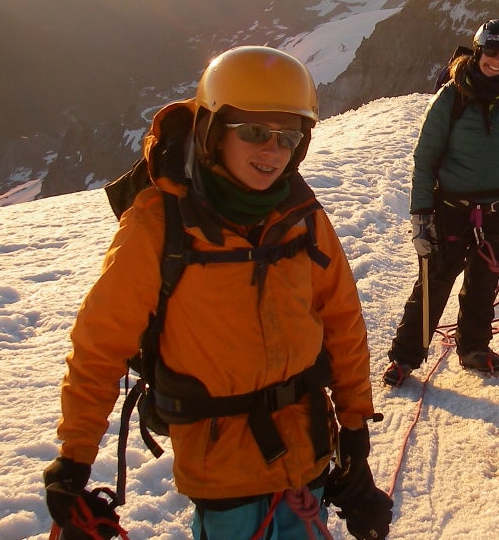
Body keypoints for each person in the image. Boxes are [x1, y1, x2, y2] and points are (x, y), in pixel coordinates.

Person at [43, 46, 393, 539]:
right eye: (253, 132)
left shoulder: (302, 216)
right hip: (223, 473)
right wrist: (74, 461)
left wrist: (354, 435)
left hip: (308, 451)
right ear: (212, 132)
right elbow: (100, 347)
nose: (272, 152)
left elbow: (342, 323)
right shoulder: (157, 225)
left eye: (288, 137)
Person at [382, 20, 499, 387]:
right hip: (451, 209)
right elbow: (425, 158)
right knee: (435, 280)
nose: (496, 61)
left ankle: (474, 347)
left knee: (483, 282)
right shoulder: (451, 97)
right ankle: (405, 356)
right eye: (491, 53)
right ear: (477, 53)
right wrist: (421, 217)